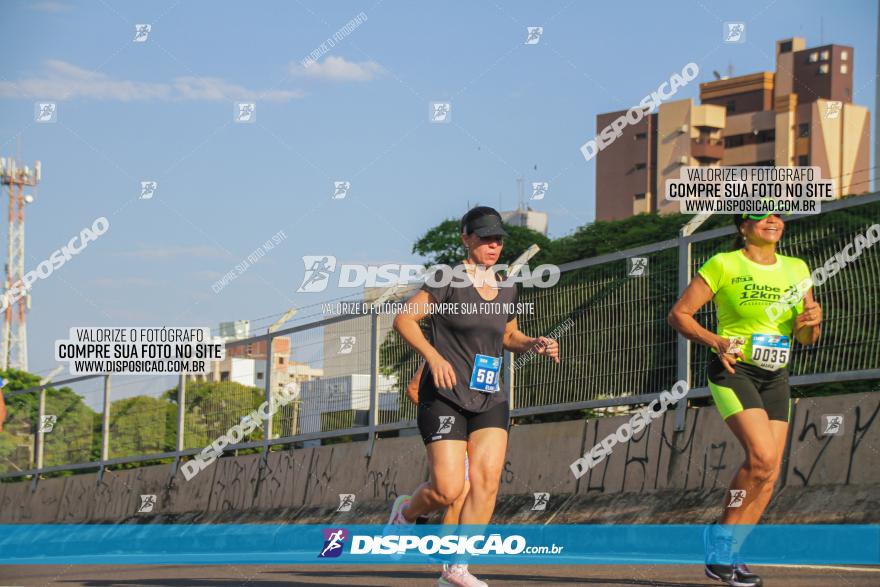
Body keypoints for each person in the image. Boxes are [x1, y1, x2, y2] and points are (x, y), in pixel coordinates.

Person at [388, 206, 559, 587]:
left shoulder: (508, 285)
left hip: (490, 396)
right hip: (445, 396)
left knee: (487, 480)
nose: (493, 244)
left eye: (498, 238)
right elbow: (403, 318)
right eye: (484, 237)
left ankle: (456, 568)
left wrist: (535, 343)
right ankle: (404, 511)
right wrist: (432, 356)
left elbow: (509, 337)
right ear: (466, 238)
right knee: (447, 488)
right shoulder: (447, 279)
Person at [668, 212, 822, 587]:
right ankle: (720, 540)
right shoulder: (724, 264)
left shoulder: (797, 268)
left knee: (768, 475)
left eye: (778, 215)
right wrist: (716, 341)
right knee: (762, 457)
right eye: (762, 215)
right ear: (744, 226)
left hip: (776, 376)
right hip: (735, 371)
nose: (772, 220)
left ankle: (733, 555)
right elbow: (679, 315)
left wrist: (811, 324)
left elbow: (807, 340)